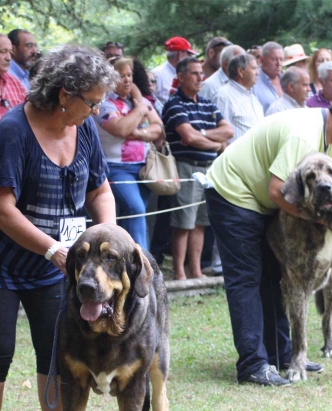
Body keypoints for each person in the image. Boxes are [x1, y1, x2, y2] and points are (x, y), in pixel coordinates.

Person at [0, 44, 118, 411]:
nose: (96, 110)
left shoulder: (82, 128)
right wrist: (52, 249)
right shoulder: (14, 130)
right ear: (65, 93)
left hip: (57, 264)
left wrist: (105, 237)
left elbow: (100, 189)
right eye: (91, 101)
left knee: (58, 353)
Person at [204, 94, 332, 386]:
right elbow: (277, 191)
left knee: (277, 277)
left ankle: (283, 355)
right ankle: (252, 365)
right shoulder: (303, 135)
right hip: (233, 193)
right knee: (247, 279)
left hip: (262, 201)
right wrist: (319, 220)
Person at [162, 57, 233, 280]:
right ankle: (180, 272)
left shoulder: (207, 104)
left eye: (200, 73)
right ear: (181, 77)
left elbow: (228, 131)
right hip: (186, 167)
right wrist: (215, 142)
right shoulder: (174, 105)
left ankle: (196, 270)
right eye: (194, 73)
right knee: (183, 222)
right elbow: (187, 136)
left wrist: (200, 135)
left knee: (201, 222)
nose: (199, 77)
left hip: (209, 168)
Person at [95, 57, 164, 251]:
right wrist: (141, 111)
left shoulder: (134, 102)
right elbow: (120, 128)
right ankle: (143, 262)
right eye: (120, 76)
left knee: (136, 215)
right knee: (136, 209)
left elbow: (158, 128)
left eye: (129, 75)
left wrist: (137, 132)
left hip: (142, 167)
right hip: (116, 168)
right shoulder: (105, 103)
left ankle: (128, 259)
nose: (126, 80)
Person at [213, 54, 263, 144]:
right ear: (240, 71)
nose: (257, 73)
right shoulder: (223, 96)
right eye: (254, 68)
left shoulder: (253, 98)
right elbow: (220, 134)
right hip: (236, 156)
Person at [152, 36, 198, 106]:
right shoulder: (157, 75)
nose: (190, 58)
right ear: (180, 54)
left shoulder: (186, 74)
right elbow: (150, 100)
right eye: (189, 54)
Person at [252, 41, 284, 113]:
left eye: (281, 59)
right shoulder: (253, 83)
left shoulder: (287, 80)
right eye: (274, 59)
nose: (278, 64)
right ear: (262, 60)